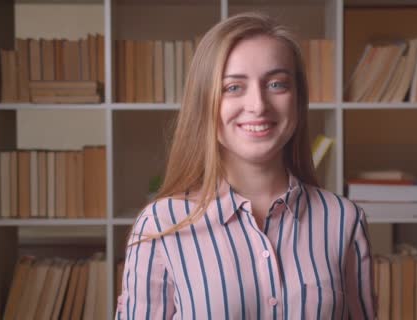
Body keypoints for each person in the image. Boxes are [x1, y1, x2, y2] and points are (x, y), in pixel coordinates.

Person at [115, 12, 375, 320]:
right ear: (205, 102)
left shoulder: (344, 221)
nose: (258, 105)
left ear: (298, 100)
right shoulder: (160, 225)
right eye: (233, 87)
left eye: (277, 84)